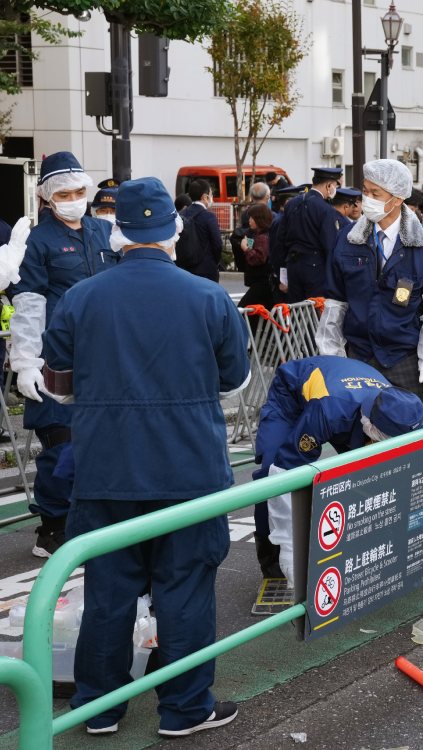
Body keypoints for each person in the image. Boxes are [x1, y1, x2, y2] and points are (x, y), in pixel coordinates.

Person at [42, 176, 248, 737]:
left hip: (106, 469)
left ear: (117, 230)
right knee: (184, 592)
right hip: (189, 469)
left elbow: (57, 387)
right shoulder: (209, 296)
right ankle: (185, 710)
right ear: (173, 231)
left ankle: (97, 708)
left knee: (108, 594)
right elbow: (235, 380)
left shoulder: (81, 298)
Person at [254, 356, 423, 586]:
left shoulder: (406, 418)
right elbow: (285, 473)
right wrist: (289, 548)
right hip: (294, 396)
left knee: (372, 473)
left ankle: (363, 545)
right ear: (372, 428)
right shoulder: (329, 409)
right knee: (270, 472)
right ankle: (273, 561)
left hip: (351, 393)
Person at [10, 151, 116, 558]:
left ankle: (90, 521)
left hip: (104, 359)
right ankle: (52, 528)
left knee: (101, 443)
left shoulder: (104, 233)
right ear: (48, 198)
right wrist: (25, 362)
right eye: (64, 193)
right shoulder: (39, 241)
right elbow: (29, 304)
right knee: (61, 445)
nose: (73, 198)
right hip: (58, 357)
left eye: (78, 191)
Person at [318, 159, 423, 424]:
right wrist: (331, 353)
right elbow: (335, 303)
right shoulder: (347, 240)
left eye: (375, 193)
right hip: (359, 355)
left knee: (412, 441)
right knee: (361, 438)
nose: (366, 199)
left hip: (405, 359)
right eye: (365, 191)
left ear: (397, 198)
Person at [278, 167, 346, 302]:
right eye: (335, 186)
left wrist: (283, 274)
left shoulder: (292, 204)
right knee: (315, 311)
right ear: (328, 186)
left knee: (296, 312)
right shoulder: (326, 209)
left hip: (292, 264)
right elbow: (330, 245)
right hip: (315, 267)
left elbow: (280, 240)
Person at [178, 179, 223, 282]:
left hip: (184, 269)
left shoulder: (181, 215)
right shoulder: (209, 217)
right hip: (206, 269)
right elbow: (217, 244)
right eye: (211, 195)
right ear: (204, 197)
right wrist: (214, 262)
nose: (212, 198)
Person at [234, 203, 275, 310]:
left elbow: (258, 258)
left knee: (243, 311)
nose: (249, 221)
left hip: (261, 283)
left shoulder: (262, 237)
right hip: (264, 283)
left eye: (252, 218)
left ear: (259, 219)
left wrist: (245, 248)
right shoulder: (263, 234)